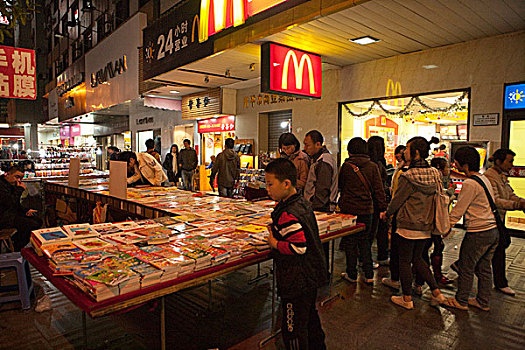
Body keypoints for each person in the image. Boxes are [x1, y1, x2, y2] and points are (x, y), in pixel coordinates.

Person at [265, 158, 328, 350]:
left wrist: (275, 242)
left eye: (270, 184)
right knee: (310, 319)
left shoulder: (288, 213)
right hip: (310, 276)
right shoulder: (300, 203)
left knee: (292, 328)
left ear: (286, 184)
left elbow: (299, 247)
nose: (267, 189)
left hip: (296, 280)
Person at [381, 137, 445, 309]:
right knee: (418, 259)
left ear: (415, 153)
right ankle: (436, 292)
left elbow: (397, 201)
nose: (404, 152)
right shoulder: (434, 173)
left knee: (404, 261)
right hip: (426, 225)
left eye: (407, 149)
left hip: (407, 225)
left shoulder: (408, 176)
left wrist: (386, 214)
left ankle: (407, 298)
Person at [442, 146, 499, 311]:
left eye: (457, 162)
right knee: (483, 267)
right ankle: (482, 301)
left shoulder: (469, 183)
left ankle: (461, 301)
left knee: (466, 266)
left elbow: (458, 210)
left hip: (479, 231)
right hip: (492, 230)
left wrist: (446, 228)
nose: (455, 165)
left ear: (464, 164)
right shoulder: (484, 179)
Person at [339, 137, 387, 284]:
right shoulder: (373, 166)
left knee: (350, 242)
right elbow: (379, 190)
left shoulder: (346, 167)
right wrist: (383, 208)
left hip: (349, 210)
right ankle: (369, 275)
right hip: (367, 210)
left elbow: (341, 185)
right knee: (365, 241)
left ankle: (351, 274)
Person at [483, 148, 524, 296]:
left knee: (493, 247)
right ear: (498, 161)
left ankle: (462, 264)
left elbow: (509, 194)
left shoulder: (501, 176)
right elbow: (495, 200)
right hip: (491, 219)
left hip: (499, 219)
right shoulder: (489, 177)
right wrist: (517, 205)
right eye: (510, 161)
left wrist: (520, 202)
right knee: (501, 246)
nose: (511, 165)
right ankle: (501, 283)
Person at [412, 157, 454, 288]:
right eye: (447, 167)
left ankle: (423, 276)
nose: (449, 170)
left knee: (429, 248)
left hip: (431, 220)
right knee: (432, 247)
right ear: (439, 168)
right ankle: (431, 277)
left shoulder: (439, 180)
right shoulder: (435, 181)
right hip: (433, 220)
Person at [303, 130, 338, 267]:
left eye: (308, 145)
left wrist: (314, 209)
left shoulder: (324, 161)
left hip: (321, 209)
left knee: (320, 245)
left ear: (318, 144)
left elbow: (322, 190)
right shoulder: (318, 159)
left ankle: (322, 273)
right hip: (319, 207)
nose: (305, 148)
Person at [0, 165, 41, 251]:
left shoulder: (11, 185)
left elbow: (16, 204)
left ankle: (16, 243)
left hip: (10, 215)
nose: (18, 180)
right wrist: (19, 189)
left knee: (37, 220)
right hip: (3, 218)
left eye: (20, 178)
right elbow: (9, 202)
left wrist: (25, 211)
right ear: (7, 174)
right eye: (16, 177)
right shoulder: (2, 186)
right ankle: (17, 247)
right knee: (30, 224)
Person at [368, 136, 390, 265]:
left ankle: (366, 258)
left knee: (371, 231)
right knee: (379, 229)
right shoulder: (379, 164)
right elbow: (380, 186)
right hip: (378, 201)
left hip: (369, 201)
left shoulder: (368, 163)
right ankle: (381, 256)